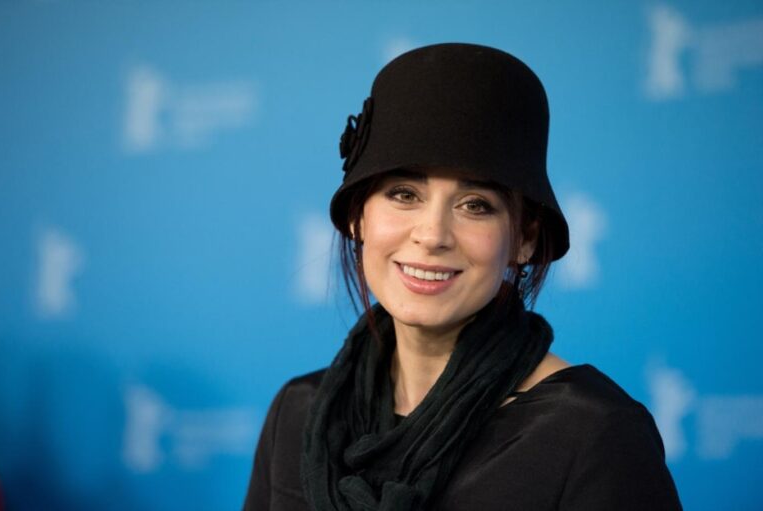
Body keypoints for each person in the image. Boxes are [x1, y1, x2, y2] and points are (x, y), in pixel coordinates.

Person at [243, 43, 682, 510]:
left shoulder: (592, 433)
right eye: (404, 194)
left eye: (475, 205)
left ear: (524, 239)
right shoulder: (299, 413)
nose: (432, 235)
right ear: (359, 217)